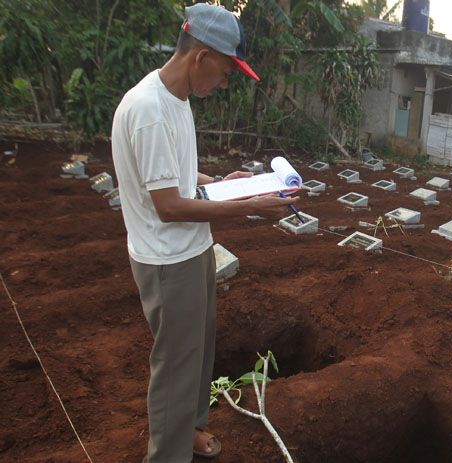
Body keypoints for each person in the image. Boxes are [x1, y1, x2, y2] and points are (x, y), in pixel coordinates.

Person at [111, 4, 298, 462]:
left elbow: (176, 179)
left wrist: (223, 185)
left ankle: (190, 430)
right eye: (226, 71)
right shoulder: (150, 110)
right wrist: (250, 207)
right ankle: (168, 456)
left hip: (191, 250)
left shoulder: (177, 101)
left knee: (197, 353)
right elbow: (169, 205)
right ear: (201, 56)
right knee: (175, 367)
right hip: (166, 261)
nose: (225, 82)